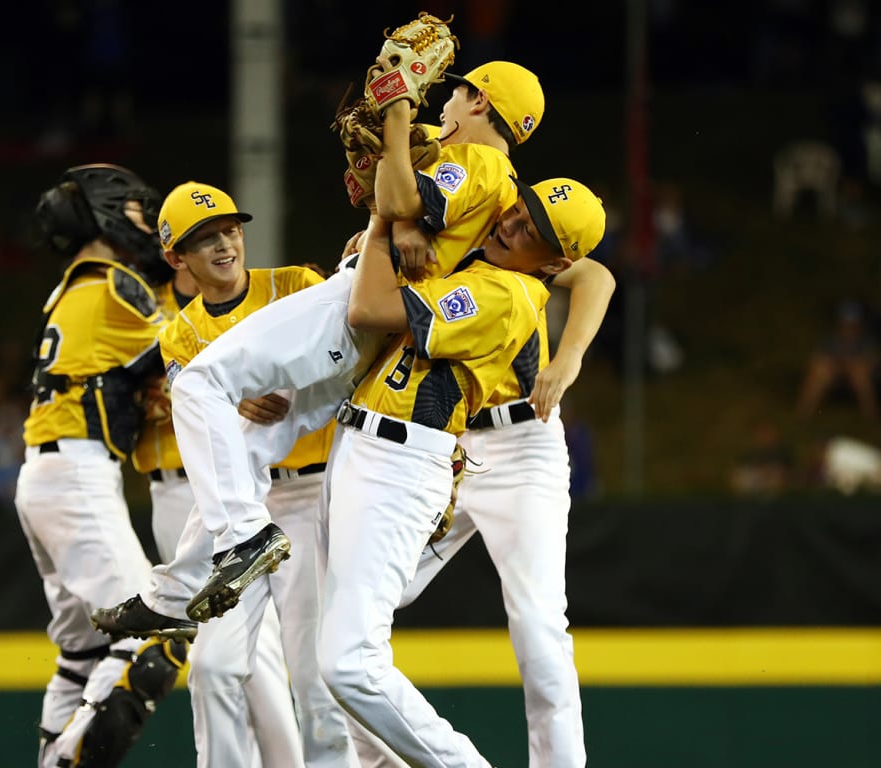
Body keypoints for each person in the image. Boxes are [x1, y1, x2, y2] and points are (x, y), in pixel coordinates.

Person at [93, 60, 555, 630]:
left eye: (458, 95)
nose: (446, 104)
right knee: (251, 440)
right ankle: (172, 596)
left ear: (480, 102)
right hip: (375, 330)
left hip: (351, 308)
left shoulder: (480, 162)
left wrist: (398, 111)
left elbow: (404, 201)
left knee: (199, 382)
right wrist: (391, 142)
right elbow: (389, 195)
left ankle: (244, 539)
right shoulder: (486, 169)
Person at [325, 177, 603, 767]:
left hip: (523, 443)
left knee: (538, 627)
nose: (514, 222)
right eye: (520, 210)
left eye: (530, 226)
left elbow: (597, 276)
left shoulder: (526, 270)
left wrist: (570, 357)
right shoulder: (484, 215)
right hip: (441, 445)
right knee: (360, 603)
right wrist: (392, 226)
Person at [122, 182, 350, 767]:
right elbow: (200, 412)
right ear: (177, 259)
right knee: (214, 668)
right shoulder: (180, 334)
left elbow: (346, 357)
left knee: (313, 675)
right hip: (243, 511)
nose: (224, 244)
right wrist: (233, 394)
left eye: (229, 229)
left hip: (311, 493)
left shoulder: (296, 284)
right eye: (204, 239)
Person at [16, 164, 188, 768]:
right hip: (76, 475)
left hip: (46, 475)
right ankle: (69, 760)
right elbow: (191, 361)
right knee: (153, 628)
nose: (147, 217)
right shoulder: (117, 284)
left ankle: (52, 757)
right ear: (109, 213)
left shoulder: (72, 286)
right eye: (136, 207)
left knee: (82, 654)